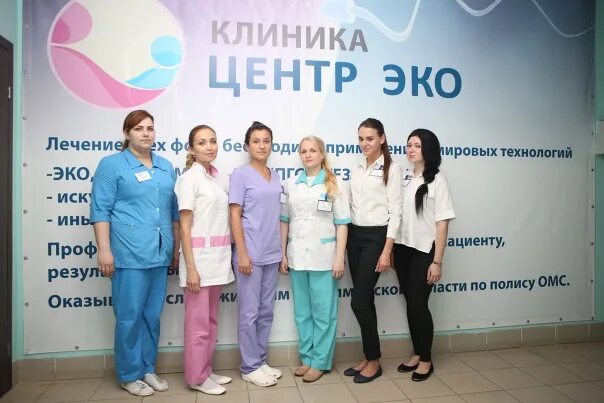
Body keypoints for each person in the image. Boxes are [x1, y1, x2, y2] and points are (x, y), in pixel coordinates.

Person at [90, 110, 179, 397]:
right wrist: (104, 250)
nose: (146, 133)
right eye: (139, 128)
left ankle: (147, 368)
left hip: (159, 253)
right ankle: (130, 375)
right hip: (128, 255)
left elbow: (173, 213)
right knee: (129, 317)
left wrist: (175, 249)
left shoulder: (165, 167)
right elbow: (100, 210)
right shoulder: (112, 165)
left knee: (152, 316)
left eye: (150, 128)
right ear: (126, 133)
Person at [279, 136, 351, 383]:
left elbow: (342, 223)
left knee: (323, 313)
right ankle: (307, 358)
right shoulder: (291, 184)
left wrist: (339, 258)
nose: (308, 155)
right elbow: (284, 220)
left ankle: (320, 361)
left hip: (324, 256)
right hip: (297, 255)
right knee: (302, 312)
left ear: (322, 154)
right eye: (304, 151)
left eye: (313, 150)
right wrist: (282, 253)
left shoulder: (334, 182)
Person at [175, 125, 235, 395]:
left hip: (218, 259)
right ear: (191, 148)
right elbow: (184, 226)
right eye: (202, 143)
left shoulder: (215, 178)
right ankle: (196, 377)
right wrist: (191, 269)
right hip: (198, 262)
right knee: (197, 324)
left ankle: (206, 370)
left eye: (212, 141)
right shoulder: (189, 179)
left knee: (210, 320)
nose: (209, 147)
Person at [394, 129, 455, 381]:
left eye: (417, 145)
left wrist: (437, 261)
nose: (411, 149)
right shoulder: (405, 177)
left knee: (419, 305)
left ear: (428, 149)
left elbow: (442, 223)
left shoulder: (437, 180)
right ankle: (418, 353)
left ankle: (426, 360)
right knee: (411, 304)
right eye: (409, 145)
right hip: (402, 249)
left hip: (424, 251)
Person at [344, 118, 403, 383]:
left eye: (370, 138)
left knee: (358, 301)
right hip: (354, 237)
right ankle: (368, 357)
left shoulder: (393, 169)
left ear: (382, 138)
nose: (365, 143)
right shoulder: (357, 168)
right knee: (365, 300)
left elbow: (396, 213)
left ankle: (375, 361)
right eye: (361, 139)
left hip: (377, 238)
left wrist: (386, 250)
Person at [229, 121, 283, 387]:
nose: (262, 146)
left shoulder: (276, 176)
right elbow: (234, 215)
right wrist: (242, 253)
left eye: (266, 141)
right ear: (247, 146)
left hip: (272, 252)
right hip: (249, 253)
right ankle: (249, 366)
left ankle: (260, 360)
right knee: (249, 313)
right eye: (256, 141)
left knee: (266, 311)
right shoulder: (240, 175)